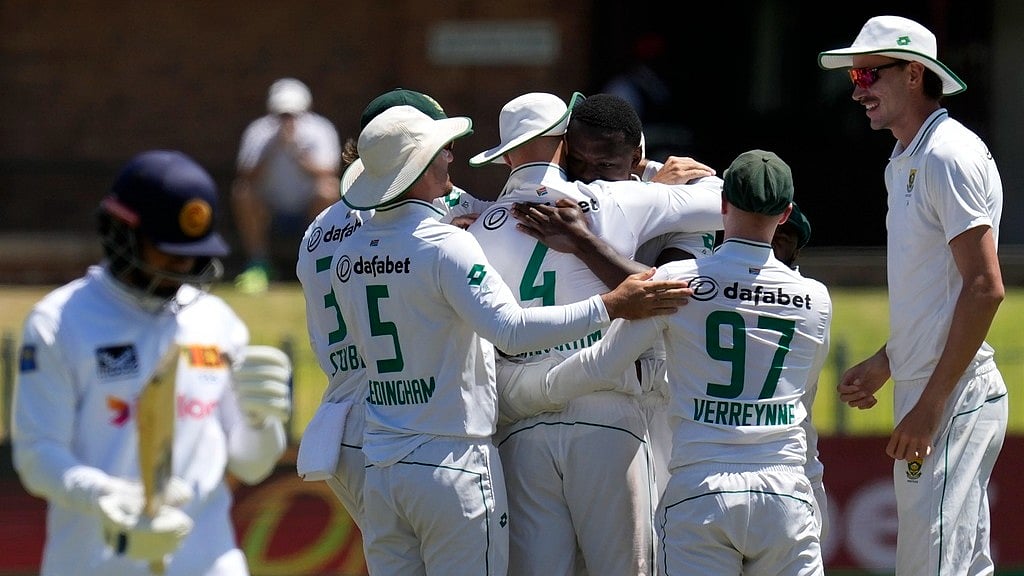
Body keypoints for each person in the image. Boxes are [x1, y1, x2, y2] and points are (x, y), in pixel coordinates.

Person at [330, 104, 692, 575]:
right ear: (417, 166)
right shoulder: (449, 244)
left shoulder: (347, 254)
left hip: (381, 463)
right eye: (440, 153)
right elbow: (511, 331)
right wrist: (611, 304)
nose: (449, 161)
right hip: (450, 458)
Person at [466, 91, 723, 576]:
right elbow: (725, 200)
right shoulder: (615, 196)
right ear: (565, 142)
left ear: (505, 155)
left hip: (520, 421)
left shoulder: (478, 224)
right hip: (605, 409)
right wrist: (647, 174)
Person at [546, 149, 830, 575]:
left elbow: (603, 363)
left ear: (722, 205)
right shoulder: (815, 298)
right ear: (786, 214)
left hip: (702, 487)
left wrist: (533, 391)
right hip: (784, 493)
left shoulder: (678, 279)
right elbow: (803, 402)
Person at [12, 150, 292, 575]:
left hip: (209, 562)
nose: (182, 266)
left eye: (192, 254)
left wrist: (264, 422)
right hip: (93, 564)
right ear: (119, 232)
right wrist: (102, 493)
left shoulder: (218, 322)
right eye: (167, 251)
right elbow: (36, 455)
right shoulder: (61, 320)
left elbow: (249, 465)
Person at [819, 15, 1007, 575]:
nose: (860, 90)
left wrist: (930, 407)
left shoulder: (947, 154)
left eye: (870, 74)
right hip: (931, 389)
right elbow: (936, 290)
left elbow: (984, 287)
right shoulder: (906, 156)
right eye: (855, 77)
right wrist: (888, 360)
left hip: (951, 396)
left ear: (915, 75)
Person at [294, 87, 484, 530]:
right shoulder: (413, 209)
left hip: (339, 427)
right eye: (442, 146)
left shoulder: (317, 229)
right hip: (399, 421)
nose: (449, 157)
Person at [232, 77, 341, 294]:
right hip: (270, 207)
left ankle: (321, 260)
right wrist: (272, 149)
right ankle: (258, 263)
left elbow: (330, 171)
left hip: (307, 205)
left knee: (329, 189)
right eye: (282, 115)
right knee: (242, 192)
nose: (287, 120)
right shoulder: (259, 132)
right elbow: (245, 174)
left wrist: (297, 153)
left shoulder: (320, 129)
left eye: (292, 114)